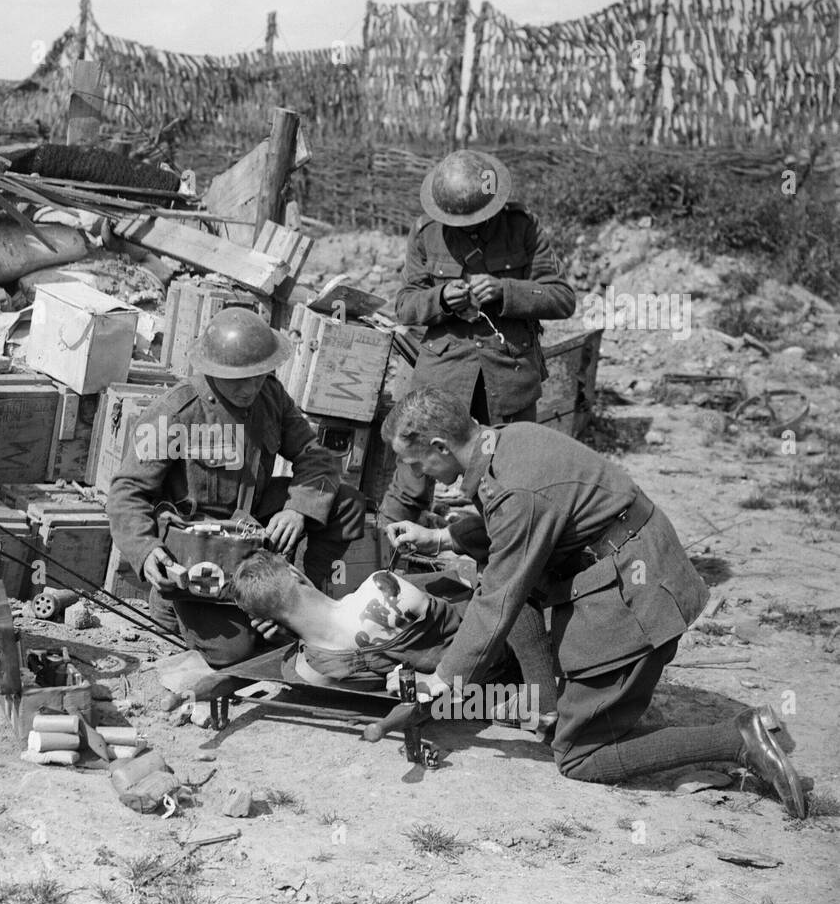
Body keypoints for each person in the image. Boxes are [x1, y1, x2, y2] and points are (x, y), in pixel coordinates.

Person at [381, 387, 808, 819]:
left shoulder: (515, 490)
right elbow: (517, 529)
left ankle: (738, 739)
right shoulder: (507, 441)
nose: (423, 475)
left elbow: (500, 592)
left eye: (419, 465)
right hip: (630, 560)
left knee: (579, 758)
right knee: (502, 578)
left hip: (638, 596)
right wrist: (441, 538)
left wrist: (443, 679)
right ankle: (546, 708)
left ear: (440, 446)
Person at [107, 306, 366, 668]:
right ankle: (171, 607)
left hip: (253, 527)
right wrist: (146, 550)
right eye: (239, 379)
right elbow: (127, 492)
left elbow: (315, 457)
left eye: (259, 376)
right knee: (234, 654)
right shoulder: (175, 412)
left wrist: (297, 508)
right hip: (199, 551)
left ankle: (305, 597)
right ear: (212, 370)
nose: (250, 388)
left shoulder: (270, 396)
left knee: (346, 502)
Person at [381, 149, 576, 531]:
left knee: (513, 481)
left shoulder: (523, 227)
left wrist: (506, 290)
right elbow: (404, 306)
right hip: (443, 377)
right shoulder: (426, 232)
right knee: (412, 476)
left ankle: (506, 567)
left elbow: (561, 297)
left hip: (507, 376)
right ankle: (385, 556)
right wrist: (440, 300)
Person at [230, 549, 554, 731]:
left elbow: (365, 680)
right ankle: (547, 700)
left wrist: (290, 636)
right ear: (294, 573)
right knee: (509, 588)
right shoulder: (380, 585)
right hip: (506, 651)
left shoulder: (307, 667)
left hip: (471, 698)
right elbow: (465, 604)